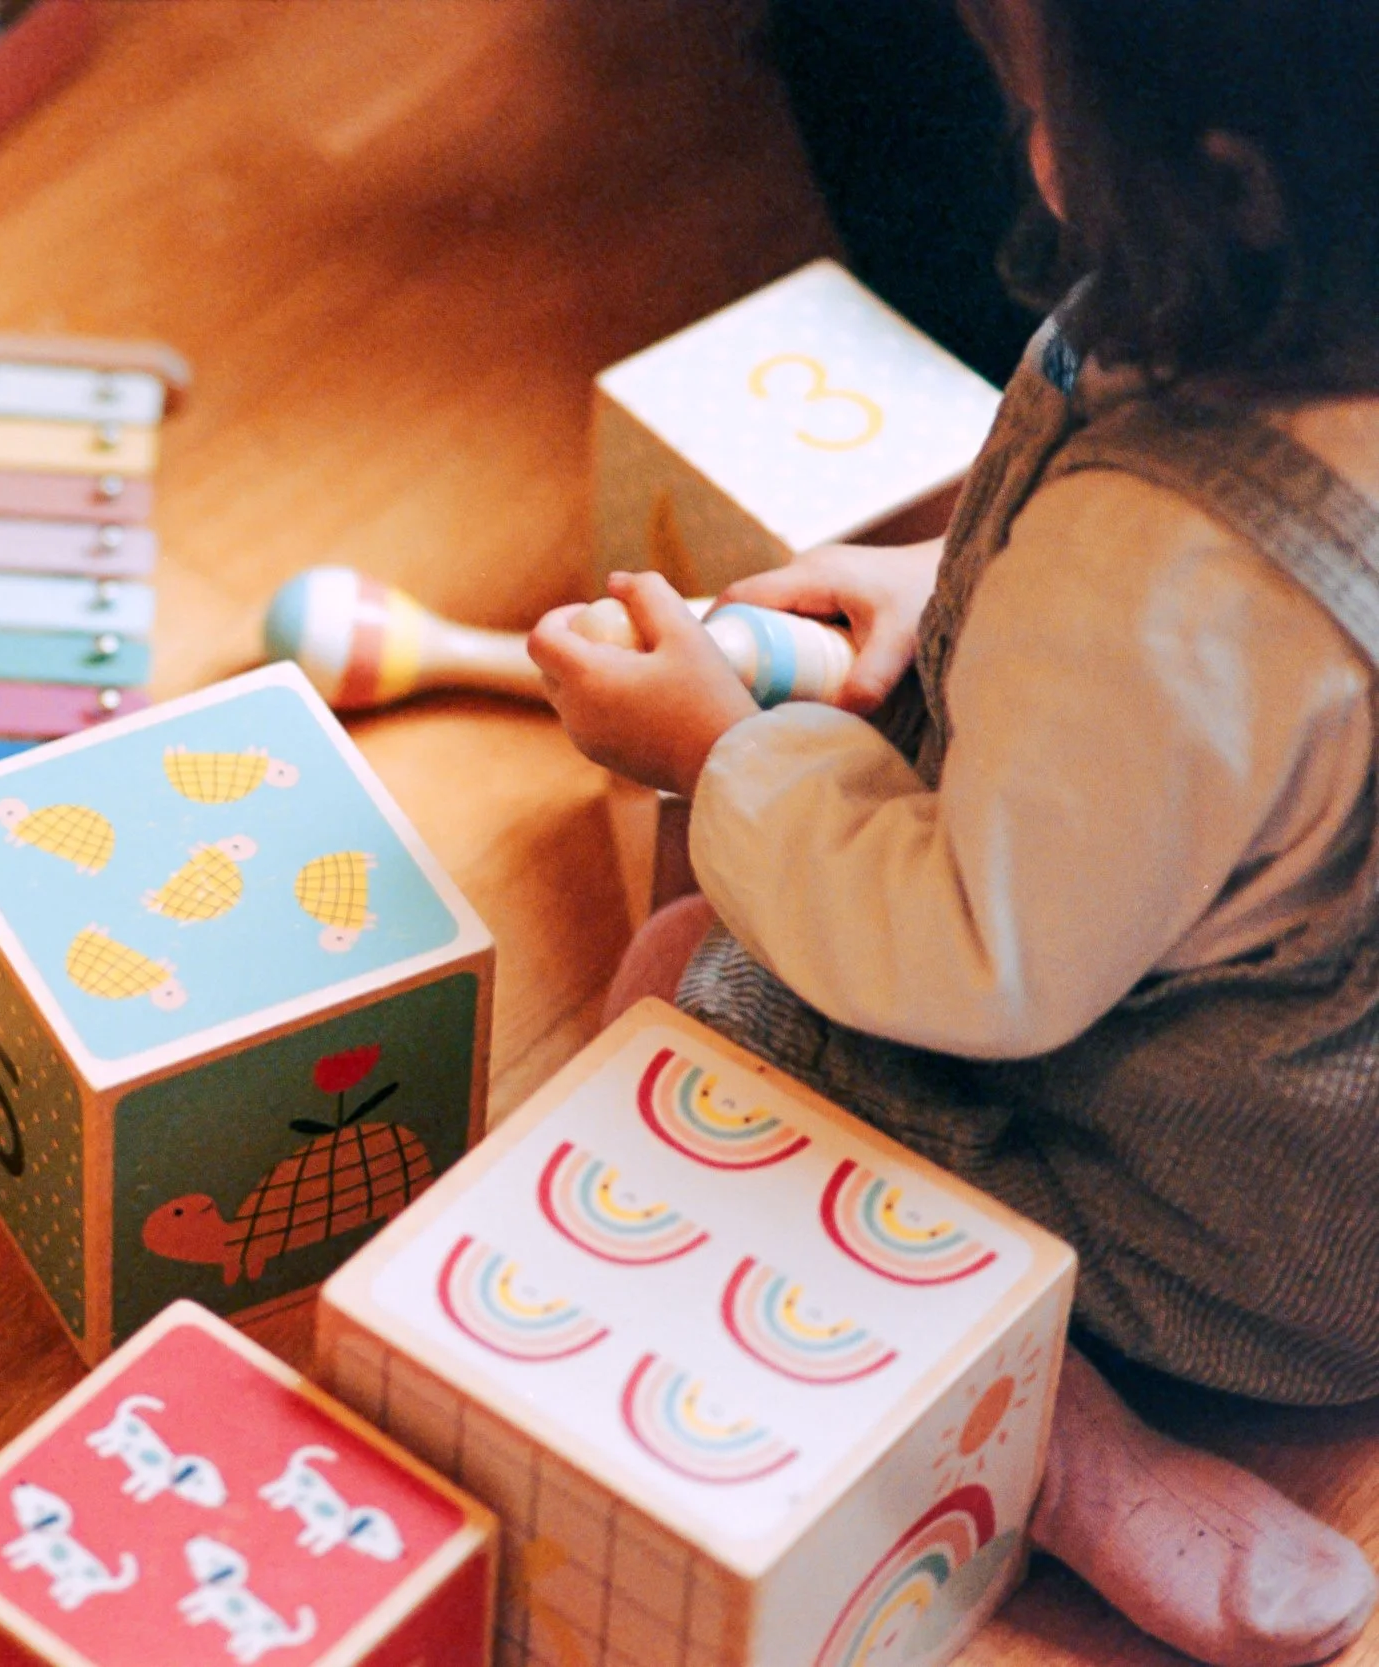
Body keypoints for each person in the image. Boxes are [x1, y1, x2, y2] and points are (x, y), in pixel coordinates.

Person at [529, 2, 1379, 1664]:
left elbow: (981, 960)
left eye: (1041, 92)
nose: (1018, 122)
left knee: (691, 987)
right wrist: (955, 590)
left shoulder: (1165, 577)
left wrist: (724, 752)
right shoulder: (1295, 322)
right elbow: (1232, 709)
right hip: (1330, 1085)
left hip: (1250, 1217)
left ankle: (1056, 1437)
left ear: (1217, 179)